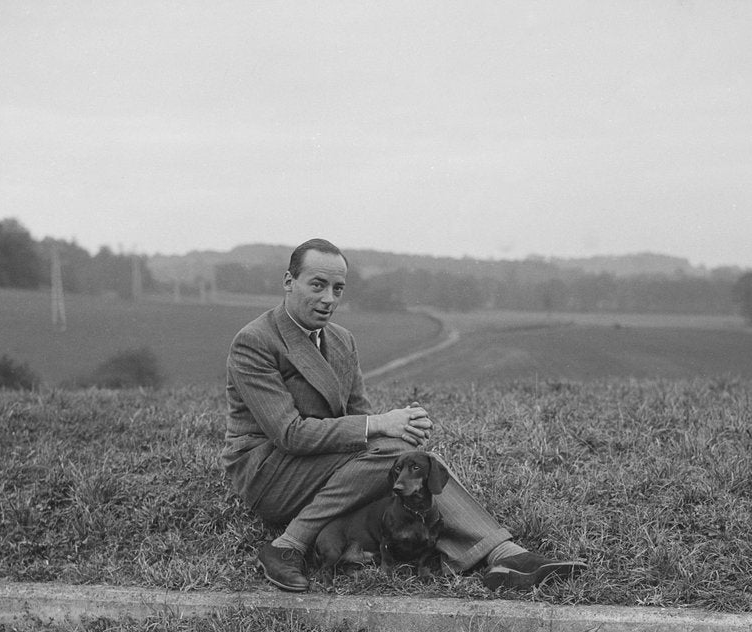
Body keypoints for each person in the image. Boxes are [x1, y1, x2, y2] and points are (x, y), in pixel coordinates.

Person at [222, 238, 587, 593]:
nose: (328, 299)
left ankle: (505, 556)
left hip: (323, 465)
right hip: (270, 472)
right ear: (289, 282)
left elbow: (360, 423)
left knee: (412, 459)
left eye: (338, 288)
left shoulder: (341, 340)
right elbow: (289, 433)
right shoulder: (255, 341)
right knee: (394, 453)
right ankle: (289, 545)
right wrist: (381, 425)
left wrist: (404, 429)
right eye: (317, 285)